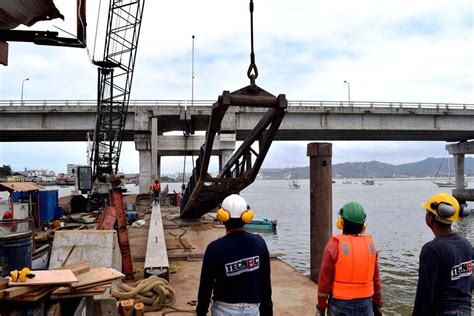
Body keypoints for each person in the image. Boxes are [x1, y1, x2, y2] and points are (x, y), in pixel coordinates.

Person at [196, 194, 273, 316]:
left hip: (223, 309)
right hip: (252, 310)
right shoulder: (259, 243)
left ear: (222, 216)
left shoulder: (214, 248)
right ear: (246, 216)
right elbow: (265, 283)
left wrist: (201, 312)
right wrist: (267, 310)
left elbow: (206, 286)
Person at [316, 201, 383, 316]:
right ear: (363, 225)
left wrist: (321, 307)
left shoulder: (333, 246)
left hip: (339, 303)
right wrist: (377, 304)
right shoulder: (371, 247)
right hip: (365, 303)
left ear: (341, 222)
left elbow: (324, 281)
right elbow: (376, 279)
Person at [413, 193, 473, 315]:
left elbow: (425, 293)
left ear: (431, 217)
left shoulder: (431, 250)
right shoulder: (466, 244)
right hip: (465, 310)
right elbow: (469, 280)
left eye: (427, 211)